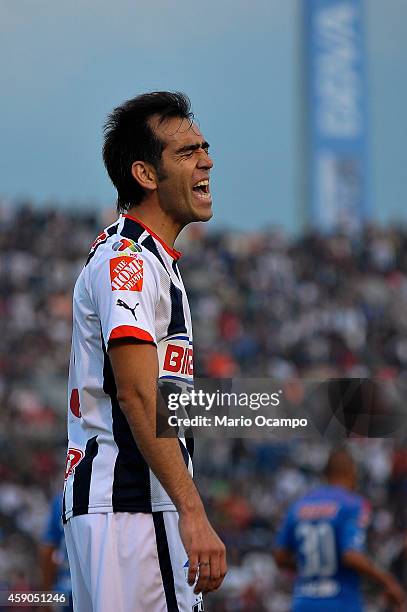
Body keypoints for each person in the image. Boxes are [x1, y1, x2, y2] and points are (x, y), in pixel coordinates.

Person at [62, 91, 226, 612]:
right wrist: (192, 512)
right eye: (186, 152)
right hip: (132, 508)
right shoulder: (126, 261)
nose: (206, 160)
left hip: (122, 512)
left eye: (204, 147)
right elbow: (136, 394)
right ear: (145, 175)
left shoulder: (151, 259)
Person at [274, 449, 406, 612]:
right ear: (351, 471)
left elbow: (280, 556)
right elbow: (350, 555)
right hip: (341, 602)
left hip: (303, 602)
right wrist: (386, 580)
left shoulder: (299, 505)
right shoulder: (352, 504)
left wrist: (309, 567)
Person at [40, 492, 73, 611]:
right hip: (95, 586)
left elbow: (48, 550)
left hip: (66, 588)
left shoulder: (62, 500)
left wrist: (46, 598)